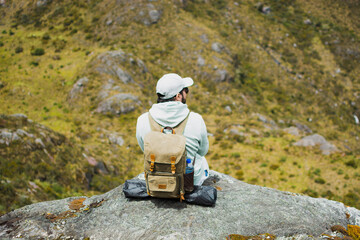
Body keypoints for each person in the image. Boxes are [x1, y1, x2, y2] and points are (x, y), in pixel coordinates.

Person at [136, 73, 210, 186]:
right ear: (178, 96)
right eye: (186, 90)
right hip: (188, 182)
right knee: (201, 159)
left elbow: (144, 149)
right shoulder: (196, 119)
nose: (187, 93)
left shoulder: (142, 120)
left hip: (156, 183)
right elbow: (202, 151)